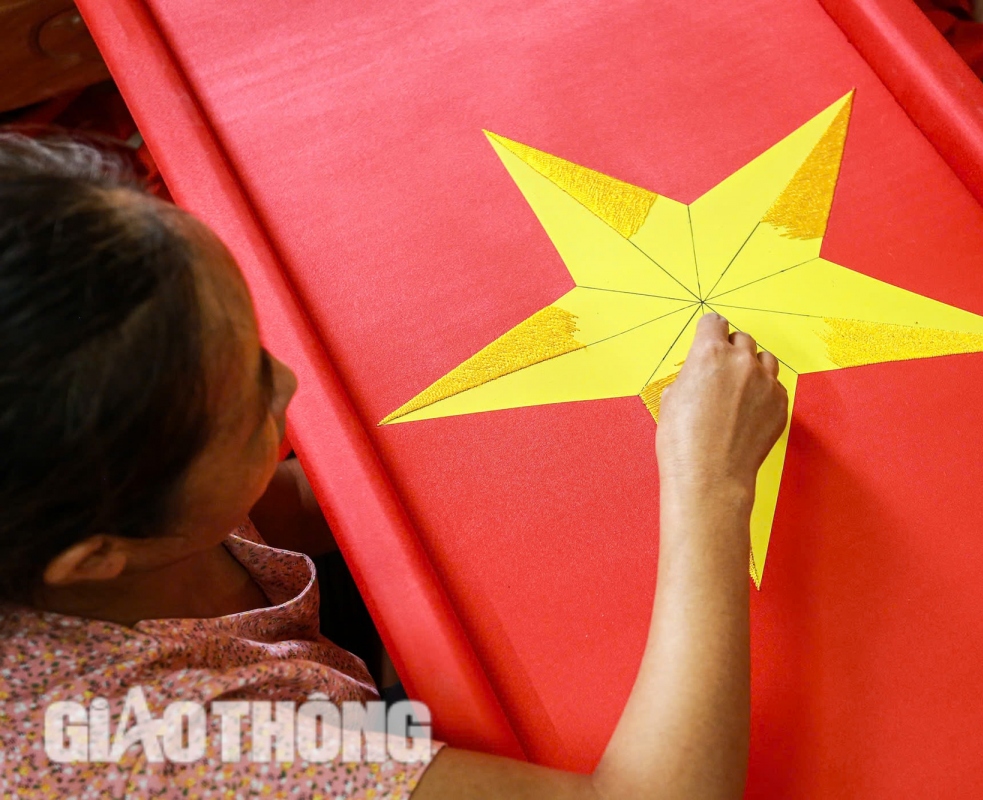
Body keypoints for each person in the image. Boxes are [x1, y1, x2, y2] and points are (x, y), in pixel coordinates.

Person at [0, 134, 788, 798]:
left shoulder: (80, 496)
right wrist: (710, 486)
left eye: (254, 345)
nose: (287, 383)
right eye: (246, 410)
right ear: (95, 551)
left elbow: (263, 518)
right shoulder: (168, 753)